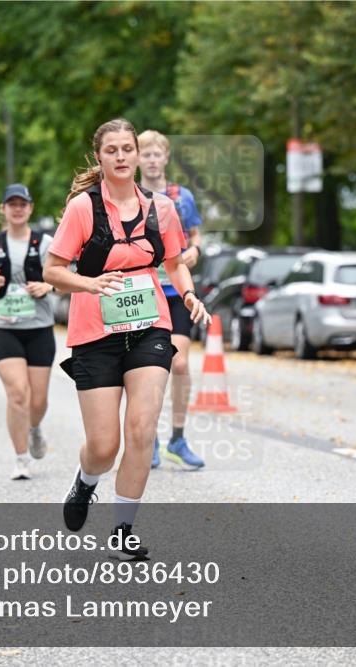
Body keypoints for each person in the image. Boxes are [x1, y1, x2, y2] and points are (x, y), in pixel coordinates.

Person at [43, 118, 210, 557]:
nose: (120, 157)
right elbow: (53, 270)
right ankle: (86, 481)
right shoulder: (84, 208)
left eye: (127, 149)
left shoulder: (163, 209)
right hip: (94, 330)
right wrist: (89, 284)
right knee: (103, 446)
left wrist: (189, 294)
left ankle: (122, 528)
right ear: (99, 157)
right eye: (111, 150)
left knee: (140, 428)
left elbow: (174, 263)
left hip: (149, 326)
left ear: (138, 155)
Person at [0, 183, 57, 481]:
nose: (17, 208)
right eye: (12, 204)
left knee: (39, 399)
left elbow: (59, 276)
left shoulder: (45, 243)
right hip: (3, 327)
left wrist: (48, 286)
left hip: (39, 327)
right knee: (18, 393)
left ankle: (33, 428)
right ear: (3, 209)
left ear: (30, 208)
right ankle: (21, 458)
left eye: (23, 204)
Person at [138, 129, 205, 470]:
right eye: (144, 154)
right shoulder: (129, 196)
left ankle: (178, 438)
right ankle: (147, 438)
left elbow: (195, 236)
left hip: (176, 291)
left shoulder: (181, 197)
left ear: (165, 158)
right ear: (137, 159)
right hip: (142, 293)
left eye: (156, 154)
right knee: (148, 370)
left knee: (179, 364)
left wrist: (193, 250)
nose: (151, 160)